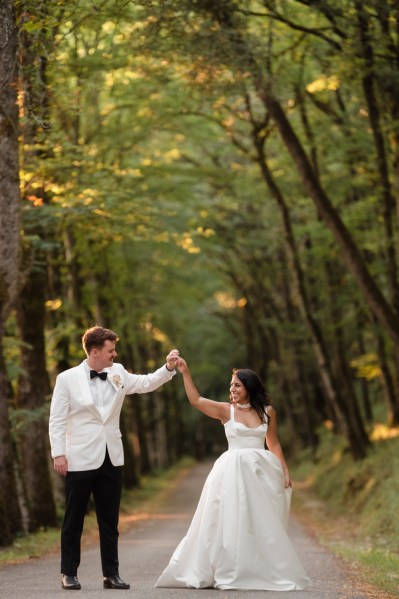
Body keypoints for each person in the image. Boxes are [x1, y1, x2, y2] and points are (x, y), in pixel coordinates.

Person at [155, 360, 310, 591]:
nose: (232, 390)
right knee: (227, 520)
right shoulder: (225, 411)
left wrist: (284, 470)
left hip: (260, 473)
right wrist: (185, 373)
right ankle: (225, 567)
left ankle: (258, 568)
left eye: (237, 385)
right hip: (231, 473)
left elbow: (274, 444)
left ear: (249, 387)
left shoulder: (267, 411)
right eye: (231, 386)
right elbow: (196, 400)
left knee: (259, 521)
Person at [49, 325, 180, 591]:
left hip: (112, 457)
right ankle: (68, 573)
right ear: (95, 352)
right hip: (79, 458)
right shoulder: (67, 379)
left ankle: (112, 574)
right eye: (110, 350)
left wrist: (167, 369)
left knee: (109, 521)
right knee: (73, 519)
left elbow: (144, 383)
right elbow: (57, 419)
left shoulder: (118, 372)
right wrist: (59, 453)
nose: (114, 354)